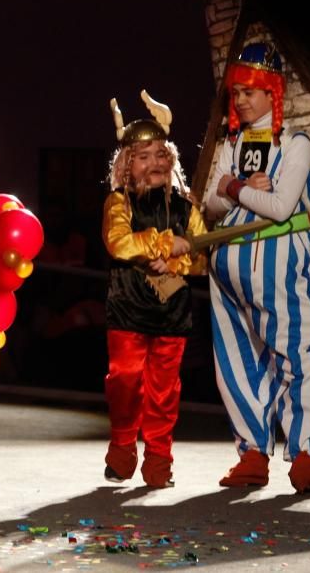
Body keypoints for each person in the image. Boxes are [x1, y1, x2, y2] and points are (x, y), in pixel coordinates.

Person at [203, 41, 310, 494]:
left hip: (284, 270)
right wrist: (234, 189)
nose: (239, 100)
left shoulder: (294, 143)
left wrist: (235, 187)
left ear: (272, 92)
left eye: (249, 91)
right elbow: (210, 205)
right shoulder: (229, 142)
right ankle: (252, 452)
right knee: (237, 365)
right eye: (235, 92)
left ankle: (306, 455)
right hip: (229, 274)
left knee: (299, 357)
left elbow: (278, 206)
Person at [101, 90, 207, 488]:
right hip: (128, 309)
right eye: (144, 156)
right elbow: (120, 243)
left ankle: (159, 461)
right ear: (128, 165)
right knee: (125, 382)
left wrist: (178, 259)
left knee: (165, 392)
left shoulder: (185, 205)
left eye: (161, 154)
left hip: (172, 312)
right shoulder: (118, 202)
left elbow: (200, 256)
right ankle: (123, 447)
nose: (155, 163)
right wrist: (163, 244)